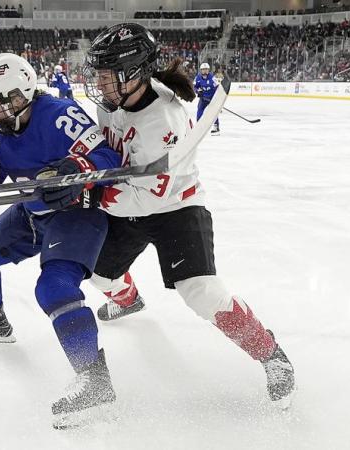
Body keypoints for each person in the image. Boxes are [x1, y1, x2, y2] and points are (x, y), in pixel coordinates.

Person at [82, 23, 296, 406]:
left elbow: (149, 199)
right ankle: (129, 299)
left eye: (106, 76)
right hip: (131, 202)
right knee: (99, 273)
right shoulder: (112, 102)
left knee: (200, 292)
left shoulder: (163, 120)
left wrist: (92, 196)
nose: (100, 85)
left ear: (133, 73)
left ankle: (272, 355)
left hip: (176, 206)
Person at [0, 53, 121, 425]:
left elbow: (109, 156)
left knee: (55, 288)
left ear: (21, 95)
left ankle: (95, 382)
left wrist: (77, 170)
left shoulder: (59, 114)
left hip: (77, 212)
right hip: (32, 211)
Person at [194, 62, 220, 135]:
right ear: (201, 70)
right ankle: (199, 125)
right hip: (203, 98)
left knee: (213, 112)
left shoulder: (213, 78)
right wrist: (197, 91)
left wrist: (217, 99)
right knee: (199, 110)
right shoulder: (198, 77)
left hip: (212, 99)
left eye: (206, 69)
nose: (205, 71)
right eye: (203, 69)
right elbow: (195, 87)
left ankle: (216, 127)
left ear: (208, 70)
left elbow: (218, 88)